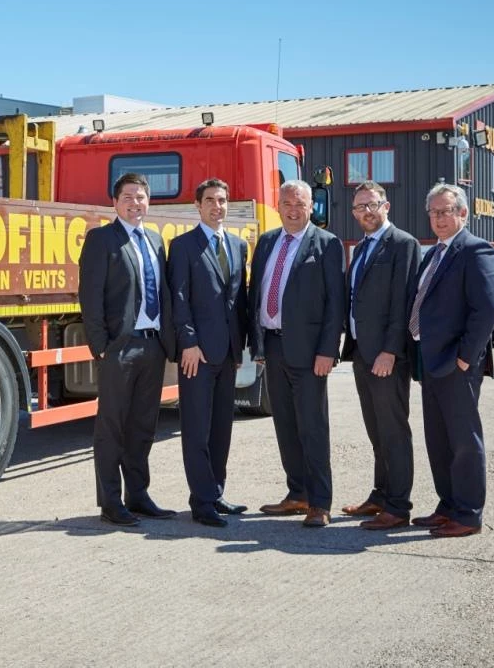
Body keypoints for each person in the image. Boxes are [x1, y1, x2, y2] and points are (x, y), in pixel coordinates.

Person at [78, 173, 177, 527]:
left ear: (149, 202)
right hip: (119, 348)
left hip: (152, 348)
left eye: (141, 197)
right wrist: (101, 346)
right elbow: (89, 297)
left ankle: (138, 495)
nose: (136, 203)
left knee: (142, 426)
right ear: (115, 203)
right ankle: (110, 501)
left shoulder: (154, 240)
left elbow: (162, 292)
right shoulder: (102, 239)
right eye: (128, 197)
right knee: (112, 427)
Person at [248, 179, 343, 527]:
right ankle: (297, 493)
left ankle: (320, 503)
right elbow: (255, 292)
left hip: (309, 353)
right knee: (285, 426)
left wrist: (327, 351)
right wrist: (257, 344)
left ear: (311, 207)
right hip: (273, 347)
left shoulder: (327, 245)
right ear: (278, 205)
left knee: (312, 428)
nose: (292, 209)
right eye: (287, 203)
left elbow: (336, 303)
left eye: (300, 204)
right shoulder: (268, 241)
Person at [408, 183, 494, 538]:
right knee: (439, 440)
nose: (438, 218)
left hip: (456, 365)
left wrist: (464, 359)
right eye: (433, 212)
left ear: (463, 213)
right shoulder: (433, 254)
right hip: (430, 363)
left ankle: (468, 514)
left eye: (445, 211)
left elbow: (487, 310)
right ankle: (448, 505)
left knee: (464, 441)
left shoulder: (476, 251)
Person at [167, 178, 249, 528]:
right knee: (197, 429)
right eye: (211, 200)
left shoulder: (237, 245)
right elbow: (179, 298)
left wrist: (243, 344)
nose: (218, 206)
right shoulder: (183, 246)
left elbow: (239, 299)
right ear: (198, 206)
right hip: (197, 354)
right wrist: (188, 342)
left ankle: (216, 491)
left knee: (221, 428)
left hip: (228, 352)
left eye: (223, 200)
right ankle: (201, 502)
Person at [339, 181, 421, 530]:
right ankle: (380, 494)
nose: (366, 212)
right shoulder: (360, 249)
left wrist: (390, 350)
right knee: (376, 431)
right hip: (362, 353)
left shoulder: (403, 244)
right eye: (359, 207)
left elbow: (404, 303)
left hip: (387, 356)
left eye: (372, 204)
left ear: (386, 206)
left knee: (393, 431)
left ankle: (398, 506)